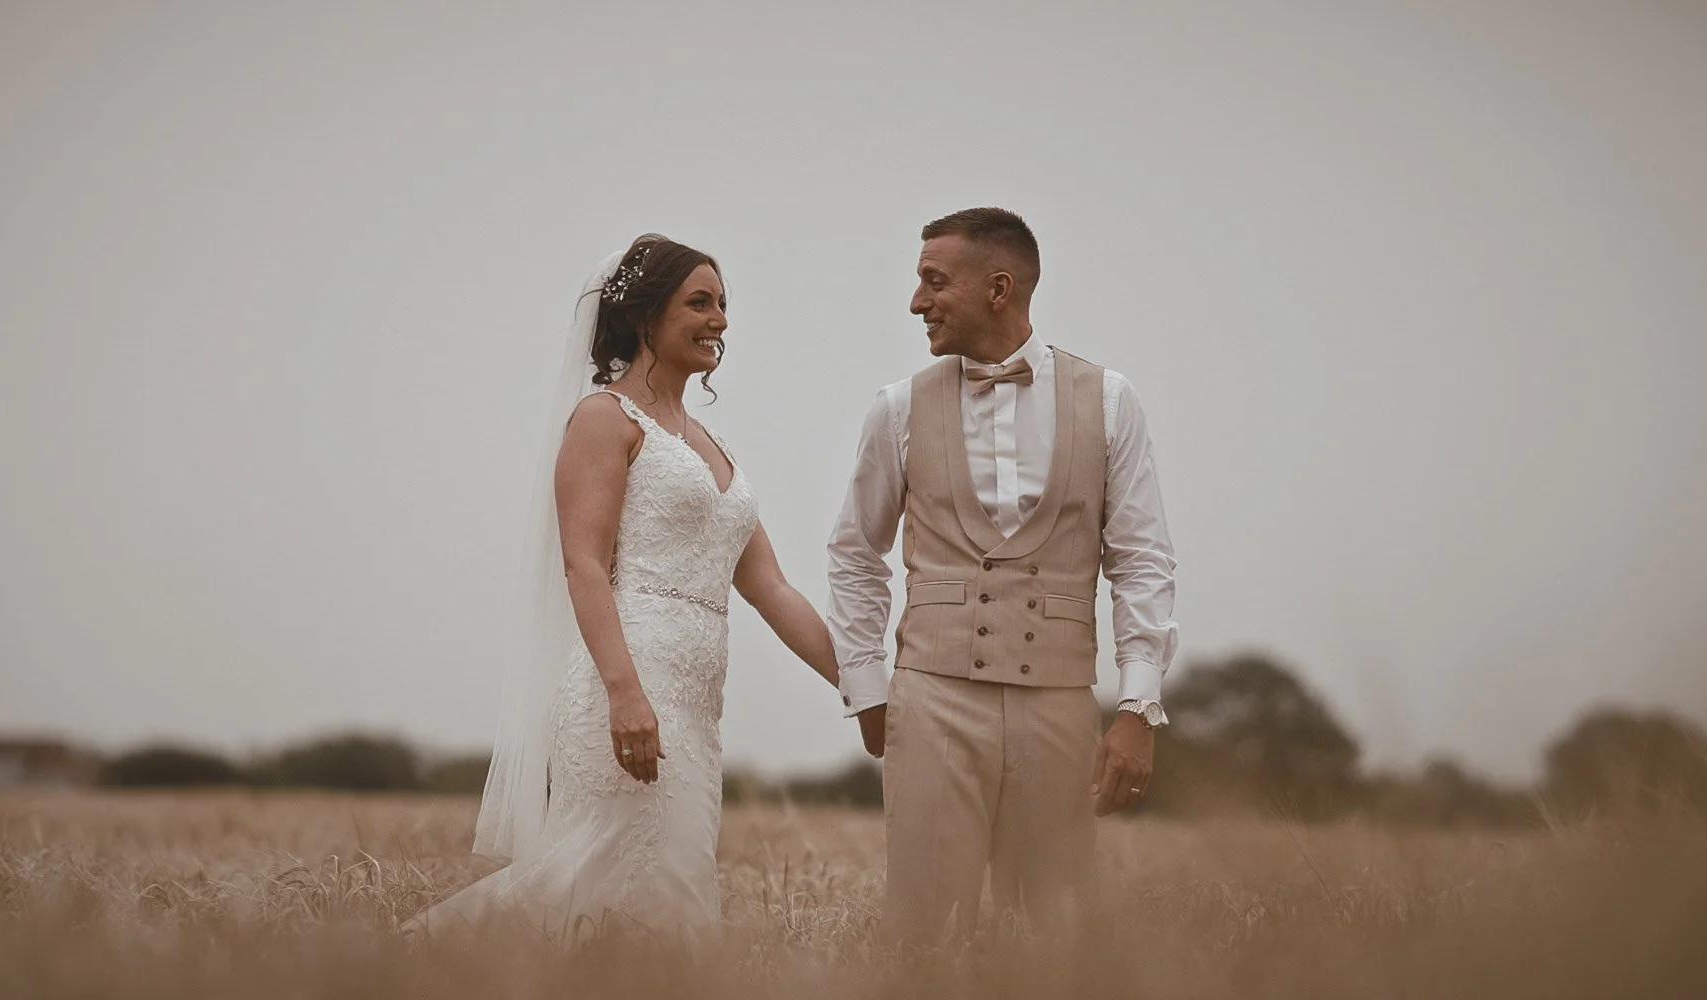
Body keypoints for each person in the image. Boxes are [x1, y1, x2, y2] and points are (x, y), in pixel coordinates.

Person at [405, 235, 838, 941]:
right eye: (699, 303)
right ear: (646, 317)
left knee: (656, 882)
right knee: (623, 882)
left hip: (697, 709)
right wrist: (625, 693)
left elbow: (772, 589)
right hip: (628, 687)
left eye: (724, 304)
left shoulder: (713, 444)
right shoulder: (604, 419)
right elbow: (583, 564)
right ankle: (424, 973)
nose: (720, 319)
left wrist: (861, 683)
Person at [826, 207, 1179, 943]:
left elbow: (1142, 558)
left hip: (1058, 704)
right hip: (931, 700)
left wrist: (1138, 707)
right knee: (919, 931)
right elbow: (856, 553)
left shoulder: (1112, 401)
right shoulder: (897, 409)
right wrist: (866, 685)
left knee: (1054, 932)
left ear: (998, 287)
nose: (917, 302)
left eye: (933, 282)